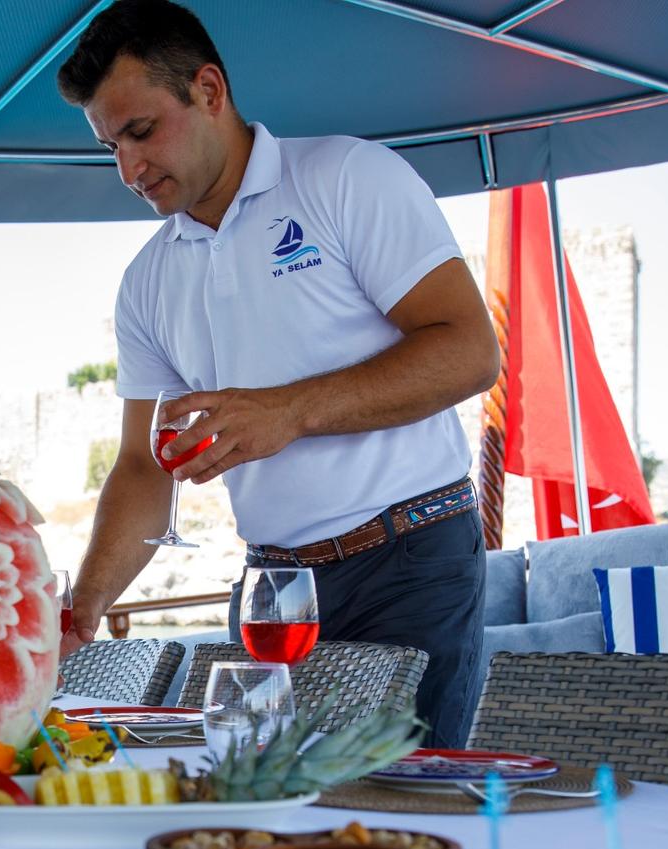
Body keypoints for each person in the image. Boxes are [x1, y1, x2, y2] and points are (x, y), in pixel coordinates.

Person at [55, 0, 500, 745]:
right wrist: (83, 609)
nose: (128, 168)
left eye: (140, 132)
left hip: (411, 561)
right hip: (272, 589)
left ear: (208, 90)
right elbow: (141, 466)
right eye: (110, 146)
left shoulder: (346, 177)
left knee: (402, 820)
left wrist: (288, 411)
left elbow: (469, 349)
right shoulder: (146, 282)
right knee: (266, 822)